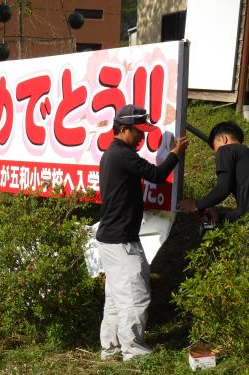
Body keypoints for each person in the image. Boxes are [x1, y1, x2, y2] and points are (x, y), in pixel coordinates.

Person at [95, 104, 189, 361]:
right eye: (138, 131)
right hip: (121, 240)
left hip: (110, 238)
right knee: (135, 295)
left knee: (115, 296)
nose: (142, 136)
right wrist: (175, 154)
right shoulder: (123, 154)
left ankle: (111, 348)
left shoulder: (112, 153)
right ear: (123, 129)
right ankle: (133, 352)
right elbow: (157, 175)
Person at [179, 121, 248, 223]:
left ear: (224, 139)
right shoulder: (244, 153)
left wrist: (196, 205)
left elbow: (223, 188)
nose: (217, 152)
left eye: (216, 148)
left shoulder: (225, 149)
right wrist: (219, 217)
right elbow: (244, 211)